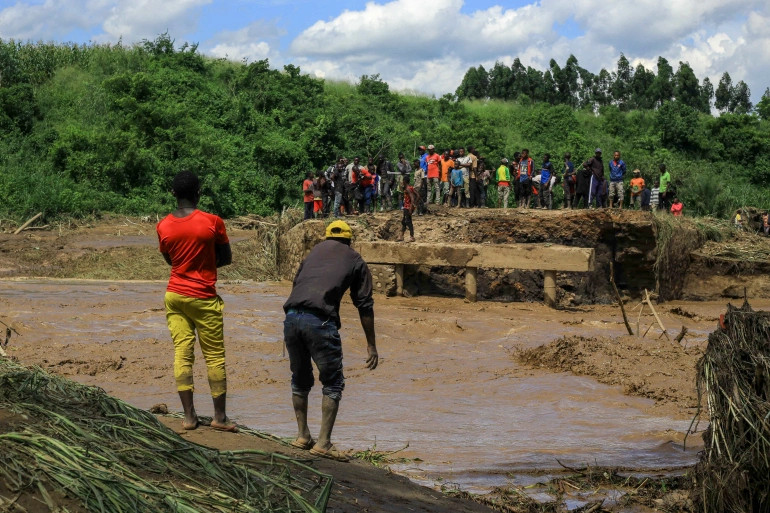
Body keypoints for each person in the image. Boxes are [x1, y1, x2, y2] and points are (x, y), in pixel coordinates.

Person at [282, 220, 378, 462]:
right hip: (319, 321)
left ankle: (303, 436)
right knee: (333, 382)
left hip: (292, 318)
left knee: (300, 379)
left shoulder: (313, 254)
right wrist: (371, 345)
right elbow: (364, 304)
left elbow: (296, 285)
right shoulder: (355, 259)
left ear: (326, 238)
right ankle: (323, 443)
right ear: (349, 240)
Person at [157, 170, 235, 432]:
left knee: (182, 353)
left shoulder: (163, 226)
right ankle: (219, 418)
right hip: (203, 296)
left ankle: (189, 417)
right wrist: (205, 262)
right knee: (214, 357)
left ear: (173, 194)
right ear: (199, 193)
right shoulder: (213, 222)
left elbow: (170, 260)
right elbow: (226, 258)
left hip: (175, 295)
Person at [398, 175, 418, 242]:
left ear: (404, 181)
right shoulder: (411, 187)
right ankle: (401, 236)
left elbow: (412, 198)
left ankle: (412, 237)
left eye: (403, 181)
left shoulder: (408, 189)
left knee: (408, 221)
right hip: (407, 207)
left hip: (407, 207)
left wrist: (411, 207)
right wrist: (415, 204)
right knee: (404, 221)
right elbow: (418, 195)